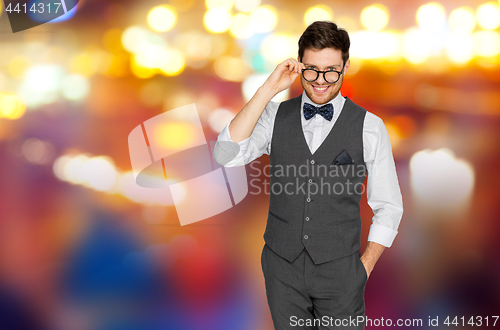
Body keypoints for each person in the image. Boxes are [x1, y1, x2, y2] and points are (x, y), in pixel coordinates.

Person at [213, 21, 403, 330]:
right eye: (312, 69)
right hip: (281, 270)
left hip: (340, 272)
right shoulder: (274, 116)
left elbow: (389, 206)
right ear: (300, 65)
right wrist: (267, 90)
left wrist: (362, 269)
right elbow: (226, 154)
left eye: (332, 70)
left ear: (346, 67)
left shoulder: (370, 126)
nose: (321, 81)